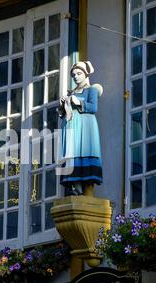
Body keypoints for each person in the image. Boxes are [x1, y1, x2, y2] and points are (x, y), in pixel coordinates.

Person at [58, 61, 103, 196]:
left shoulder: (91, 90)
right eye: (73, 75)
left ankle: (85, 189)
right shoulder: (71, 92)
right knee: (72, 154)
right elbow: (63, 113)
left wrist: (78, 102)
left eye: (79, 74)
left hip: (85, 126)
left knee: (84, 152)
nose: (76, 77)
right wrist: (62, 105)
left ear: (85, 74)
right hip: (72, 126)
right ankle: (75, 187)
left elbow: (93, 107)